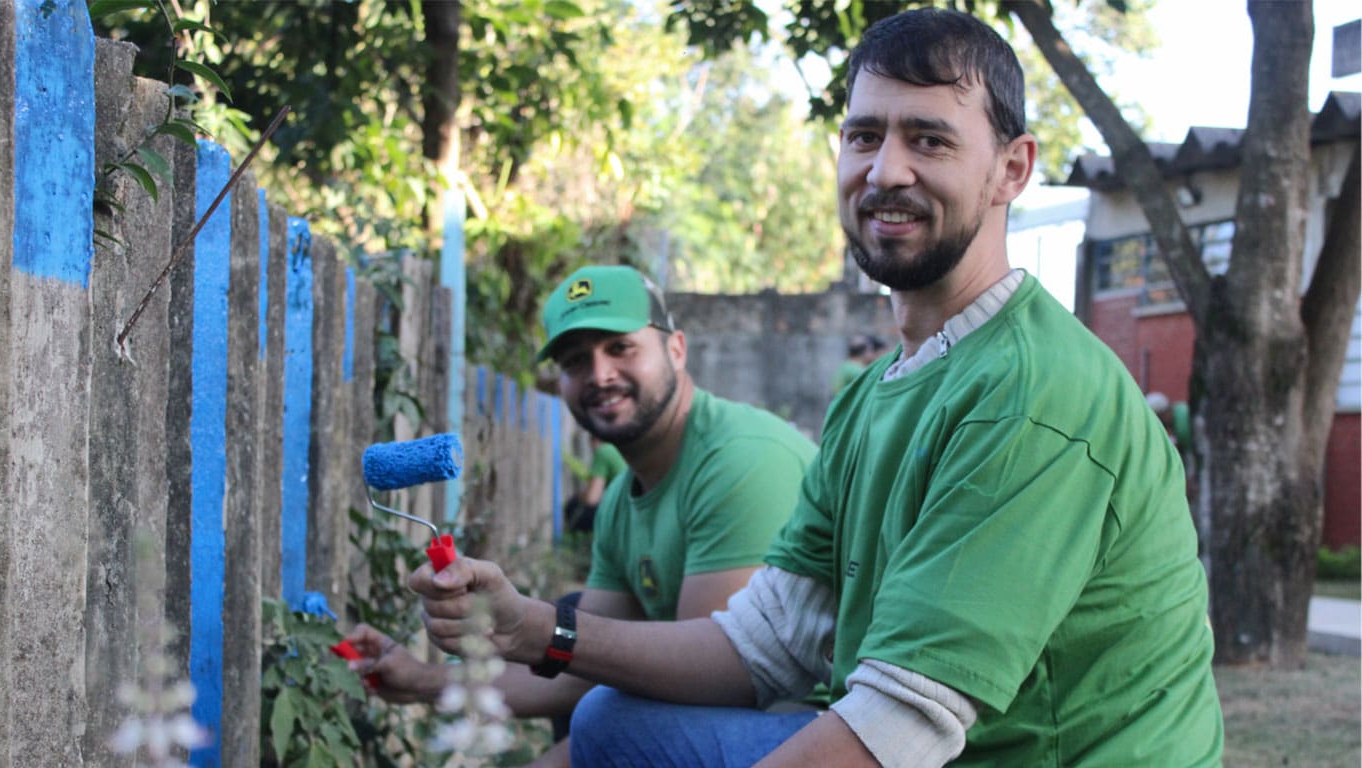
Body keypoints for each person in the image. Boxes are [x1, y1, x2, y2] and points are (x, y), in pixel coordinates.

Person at [411, 9, 1224, 766]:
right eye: (864, 135)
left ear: (1012, 169)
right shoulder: (873, 395)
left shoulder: (1036, 394)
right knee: (605, 722)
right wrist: (532, 629)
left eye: (930, 140)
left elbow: (895, 728)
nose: (886, 170)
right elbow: (770, 642)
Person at [344, 265, 818, 766]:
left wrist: (535, 627)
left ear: (676, 349)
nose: (599, 375)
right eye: (575, 361)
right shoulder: (620, 499)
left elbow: (719, 681)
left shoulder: (740, 462)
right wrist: (423, 680)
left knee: (610, 715)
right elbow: (581, 669)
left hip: (821, 723)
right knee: (584, 636)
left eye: (620, 348)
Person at [563, 437, 626, 534]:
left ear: (594, 439)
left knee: (572, 506)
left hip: (622, 514)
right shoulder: (619, 448)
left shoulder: (603, 452)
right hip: (632, 508)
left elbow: (592, 498)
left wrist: (580, 497)